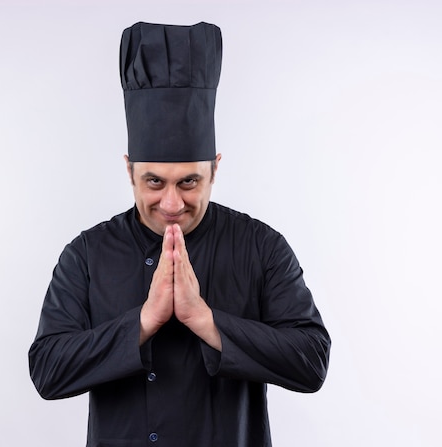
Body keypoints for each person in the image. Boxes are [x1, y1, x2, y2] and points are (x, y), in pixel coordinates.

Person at [29, 21, 331, 447]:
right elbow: (47, 370)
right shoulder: (87, 253)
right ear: (129, 169)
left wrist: (203, 320)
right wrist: (143, 322)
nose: (172, 204)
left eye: (189, 182)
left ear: (215, 168)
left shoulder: (261, 247)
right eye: (154, 182)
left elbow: (312, 361)